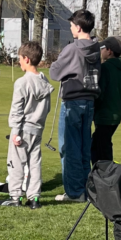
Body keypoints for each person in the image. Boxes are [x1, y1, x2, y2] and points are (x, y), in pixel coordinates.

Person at [50, 10, 100, 203]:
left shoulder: (72, 48)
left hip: (72, 103)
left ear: (78, 27)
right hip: (89, 102)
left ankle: (74, 192)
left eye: (72, 25)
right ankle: (87, 191)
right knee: (83, 148)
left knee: (69, 148)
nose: (71, 28)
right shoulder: (96, 48)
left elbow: (55, 72)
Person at [0, 41, 53, 209]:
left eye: (20, 59)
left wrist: (15, 132)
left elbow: (17, 109)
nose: (19, 62)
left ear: (27, 59)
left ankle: (15, 197)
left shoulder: (22, 83)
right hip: (37, 130)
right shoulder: (44, 80)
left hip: (22, 130)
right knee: (34, 163)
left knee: (16, 163)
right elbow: (47, 108)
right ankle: (34, 198)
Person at [91, 37, 121, 164]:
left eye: (102, 49)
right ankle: (104, 176)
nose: (101, 51)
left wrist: (92, 108)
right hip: (116, 112)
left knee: (100, 149)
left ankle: (105, 177)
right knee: (101, 144)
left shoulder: (105, 68)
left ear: (109, 51)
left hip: (104, 114)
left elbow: (100, 92)